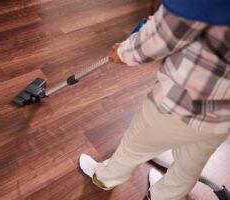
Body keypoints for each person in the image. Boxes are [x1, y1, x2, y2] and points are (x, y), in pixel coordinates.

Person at [79, 1, 230, 199]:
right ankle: (164, 196)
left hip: (176, 106)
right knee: (190, 164)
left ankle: (105, 177)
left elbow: (156, 41)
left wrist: (123, 52)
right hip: (221, 120)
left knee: (135, 145)